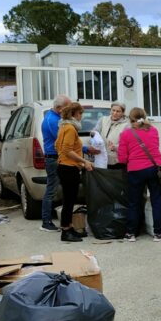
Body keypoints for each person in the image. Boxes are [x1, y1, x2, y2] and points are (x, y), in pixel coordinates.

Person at [118, 107, 161, 242]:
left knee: (134, 202)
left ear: (130, 119)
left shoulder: (125, 134)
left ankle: (131, 233)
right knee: (156, 201)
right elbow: (155, 147)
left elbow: (122, 159)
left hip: (135, 170)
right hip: (154, 169)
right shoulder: (153, 130)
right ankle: (158, 233)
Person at [55, 102, 94, 242]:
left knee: (69, 200)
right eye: (80, 114)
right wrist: (84, 162)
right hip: (68, 168)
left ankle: (69, 227)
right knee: (69, 201)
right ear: (74, 114)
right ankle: (66, 231)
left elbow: (57, 146)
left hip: (65, 166)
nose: (81, 116)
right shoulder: (70, 128)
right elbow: (67, 150)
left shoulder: (63, 126)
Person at [40, 94, 69, 231]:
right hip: (54, 158)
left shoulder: (57, 118)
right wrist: (85, 149)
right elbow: (63, 141)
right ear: (59, 108)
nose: (69, 110)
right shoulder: (53, 120)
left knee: (60, 189)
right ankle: (46, 222)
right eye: (67, 107)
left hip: (57, 157)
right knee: (51, 190)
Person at [96, 101, 129, 170]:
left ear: (123, 113)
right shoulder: (103, 119)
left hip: (117, 161)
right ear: (110, 110)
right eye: (113, 110)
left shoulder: (126, 125)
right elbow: (95, 132)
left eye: (118, 111)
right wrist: (93, 136)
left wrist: (115, 147)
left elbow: (127, 144)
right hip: (102, 158)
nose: (115, 113)